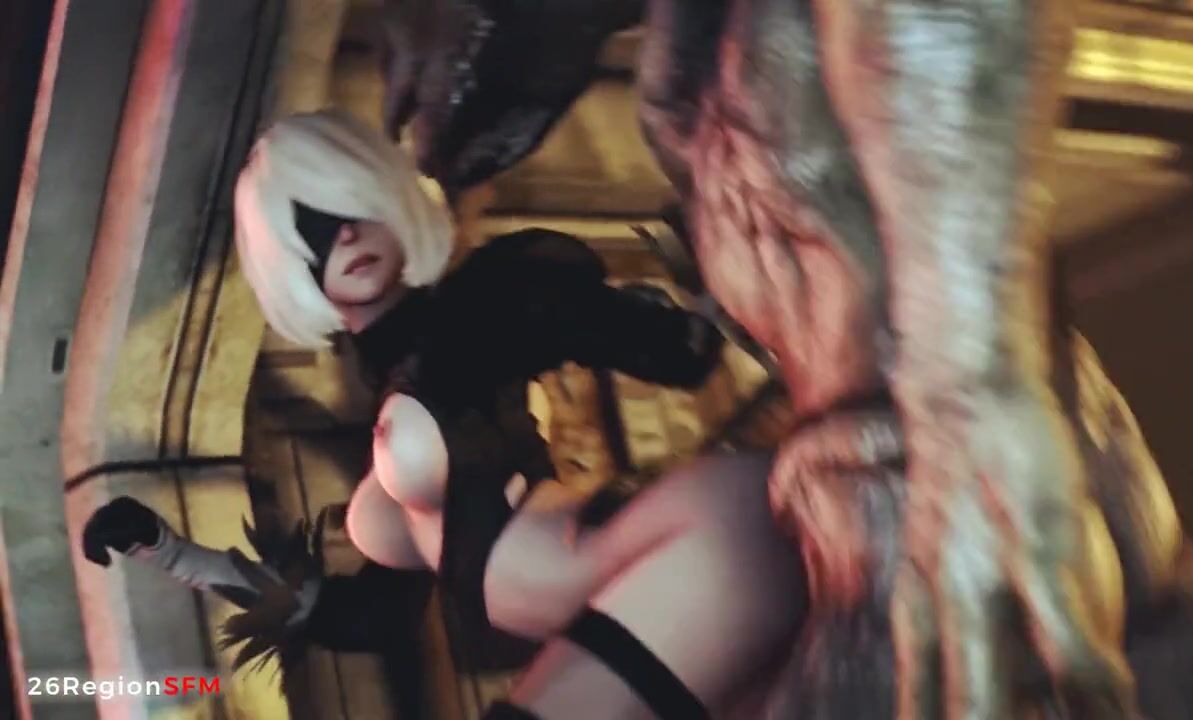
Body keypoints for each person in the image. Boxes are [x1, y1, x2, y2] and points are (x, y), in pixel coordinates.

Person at [83, 110, 812, 720]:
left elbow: (669, 352)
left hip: (695, 545)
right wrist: (172, 554)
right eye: (315, 227)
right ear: (288, 264)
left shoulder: (480, 307)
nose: (345, 235)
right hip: (632, 591)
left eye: (352, 207)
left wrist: (712, 288)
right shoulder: (394, 423)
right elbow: (365, 616)